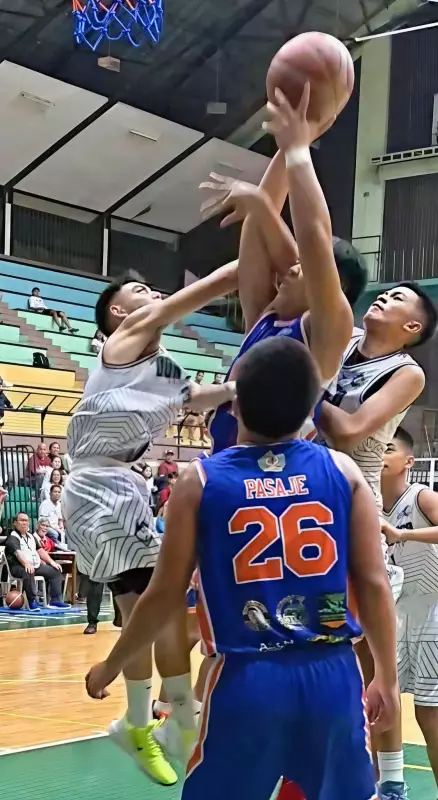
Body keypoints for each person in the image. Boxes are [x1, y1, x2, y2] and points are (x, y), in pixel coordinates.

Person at [85, 337, 399, 800]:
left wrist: (112, 665)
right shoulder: (344, 470)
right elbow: (373, 582)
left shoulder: (200, 480)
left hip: (247, 677)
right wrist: (386, 676)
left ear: (234, 407)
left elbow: (165, 592)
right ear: (312, 409)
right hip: (332, 674)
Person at [62, 261, 239, 785]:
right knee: (159, 600)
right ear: (119, 312)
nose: (154, 294)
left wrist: (244, 387)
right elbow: (209, 288)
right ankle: (176, 716)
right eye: (141, 290)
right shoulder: (123, 341)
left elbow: (197, 398)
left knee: (144, 607)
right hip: (99, 485)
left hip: (117, 487)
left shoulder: (162, 368)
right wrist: (260, 254)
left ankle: (142, 722)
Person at [319, 283, 437, 800]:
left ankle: (390, 781)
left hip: (351, 501)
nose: (385, 297)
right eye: (384, 292)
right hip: (302, 493)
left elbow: (348, 430)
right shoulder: (341, 339)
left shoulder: (407, 372)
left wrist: (300, 392)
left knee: (369, 663)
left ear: (413, 327)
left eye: (399, 298)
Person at [201, 86, 366, 453]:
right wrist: (292, 138)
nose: (290, 268)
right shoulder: (266, 315)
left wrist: (298, 151)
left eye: (302, 265)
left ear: (333, 282)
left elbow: (313, 235)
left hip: (280, 474)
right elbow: (257, 233)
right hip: (228, 463)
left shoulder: (328, 330)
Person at [382, 427, 438, 789]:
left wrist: (403, 534)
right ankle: (387, 787)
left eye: (389, 449)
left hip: (433, 611)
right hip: (396, 615)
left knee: (429, 714)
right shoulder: (369, 504)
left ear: (409, 461)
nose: (381, 456)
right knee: (380, 705)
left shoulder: (421, 497)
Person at [5, 512, 70, 610]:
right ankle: (32, 601)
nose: (24, 523)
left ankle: (55, 601)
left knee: (55, 570)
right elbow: (18, 553)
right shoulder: (12, 537)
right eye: (21, 520)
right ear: (15, 523)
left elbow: (40, 551)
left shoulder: (31, 536)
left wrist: (52, 562)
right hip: (17, 566)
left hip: (34, 565)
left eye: (26, 520)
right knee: (28, 571)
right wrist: (26, 564)